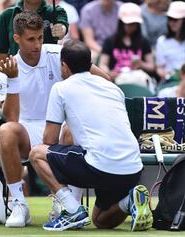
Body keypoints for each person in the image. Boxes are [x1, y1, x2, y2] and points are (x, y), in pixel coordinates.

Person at [0, 11, 108, 228]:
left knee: (73, 129)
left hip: (60, 128)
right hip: (27, 131)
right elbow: (12, 118)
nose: (37, 44)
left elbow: (104, 79)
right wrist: (14, 80)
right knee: (6, 131)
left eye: (39, 37)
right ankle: (19, 204)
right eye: (30, 39)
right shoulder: (7, 69)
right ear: (17, 39)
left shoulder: (58, 54)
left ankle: (70, 205)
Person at [29, 40, 152, 231]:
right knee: (101, 220)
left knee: (37, 153)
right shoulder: (114, 89)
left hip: (100, 168)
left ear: (64, 65)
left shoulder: (61, 88)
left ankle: (72, 210)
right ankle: (131, 201)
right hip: (132, 170)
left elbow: (49, 142)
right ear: (90, 64)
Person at [0, 0, 69, 60]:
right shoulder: (6, 15)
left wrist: (61, 29)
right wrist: (17, 69)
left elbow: (62, 24)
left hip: (48, 70)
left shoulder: (56, 11)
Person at [100, 2, 154, 81]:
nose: (131, 27)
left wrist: (141, 64)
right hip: (116, 79)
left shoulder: (144, 41)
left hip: (137, 79)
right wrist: (108, 72)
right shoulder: (110, 41)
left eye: (134, 24)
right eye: (128, 24)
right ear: (121, 22)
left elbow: (151, 66)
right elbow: (103, 64)